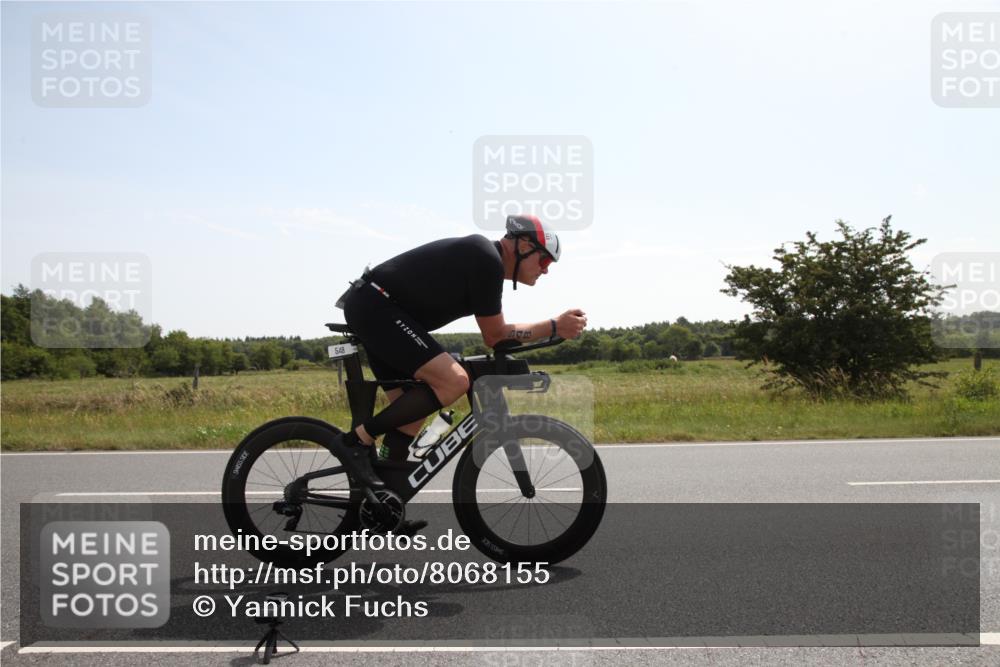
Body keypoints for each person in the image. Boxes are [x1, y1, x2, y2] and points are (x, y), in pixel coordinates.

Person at [334, 214, 587, 494]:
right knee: (454, 381)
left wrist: (551, 330)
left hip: (380, 309)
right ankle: (356, 442)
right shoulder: (487, 259)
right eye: (544, 261)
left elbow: (497, 334)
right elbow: (495, 335)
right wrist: (554, 326)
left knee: (411, 412)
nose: (546, 270)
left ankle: (383, 498)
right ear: (523, 245)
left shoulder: (487, 263)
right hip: (377, 307)